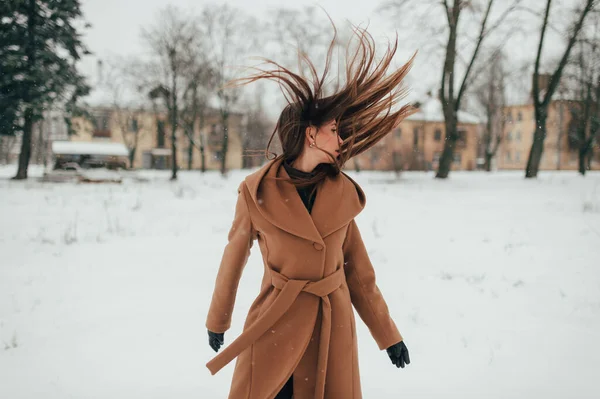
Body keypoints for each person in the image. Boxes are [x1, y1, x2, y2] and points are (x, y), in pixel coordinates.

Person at [205, 22, 416, 399]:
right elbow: (233, 255)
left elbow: (360, 276)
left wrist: (388, 336)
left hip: (330, 326)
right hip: (275, 323)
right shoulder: (255, 192)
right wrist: (218, 319)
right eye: (334, 129)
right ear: (310, 133)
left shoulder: (342, 196)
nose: (341, 139)